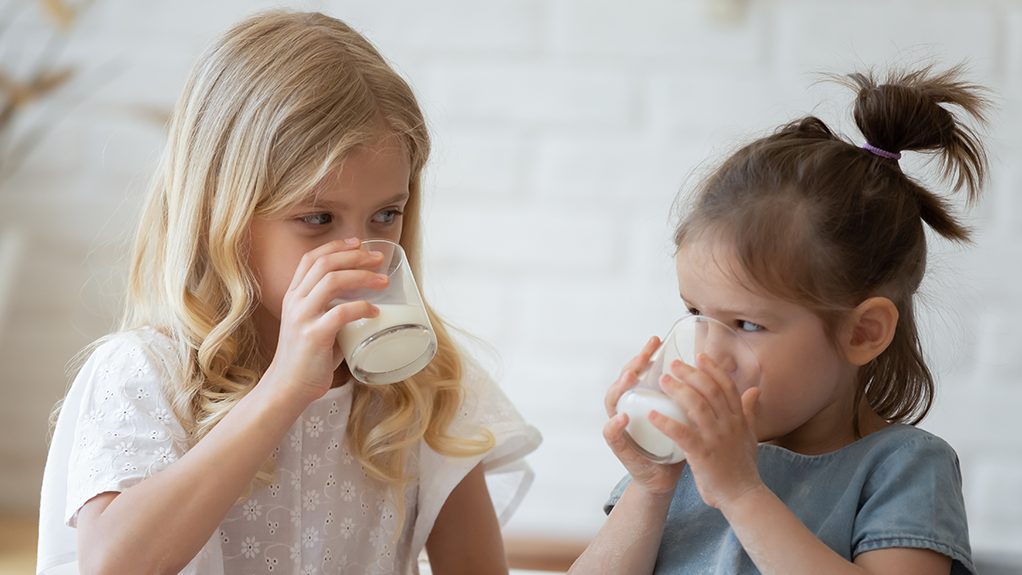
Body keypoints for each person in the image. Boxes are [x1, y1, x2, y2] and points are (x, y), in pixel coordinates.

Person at [37, 10, 541, 575]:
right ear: (220, 212)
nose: (359, 250)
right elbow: (111, 565)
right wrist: (282, 389)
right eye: (318, 217)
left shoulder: (423, 386)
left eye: (385, 215)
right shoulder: (146, 373)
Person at [569, 65, 989, 575]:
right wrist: (650, 485)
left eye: (747, 325)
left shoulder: (902, 468)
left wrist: (742, 492)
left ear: (862, 333)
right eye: (697, 314)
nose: (707, 353)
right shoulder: (686, 456)